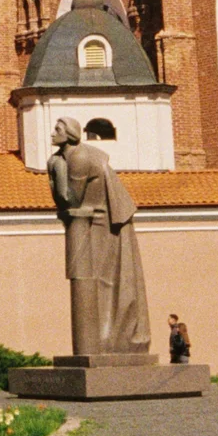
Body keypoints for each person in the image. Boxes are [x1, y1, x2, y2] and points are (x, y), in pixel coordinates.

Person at [47, 118, 151, 355]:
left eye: (58, 130)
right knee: (99, 280)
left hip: (106, 223)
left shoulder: (79, 158)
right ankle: (99, 342)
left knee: (108, 280)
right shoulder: (65, 157)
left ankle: (109, 341)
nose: (52, 134)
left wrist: (56, 168)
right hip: (89, 222)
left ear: (71, 135)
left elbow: (70, 198)